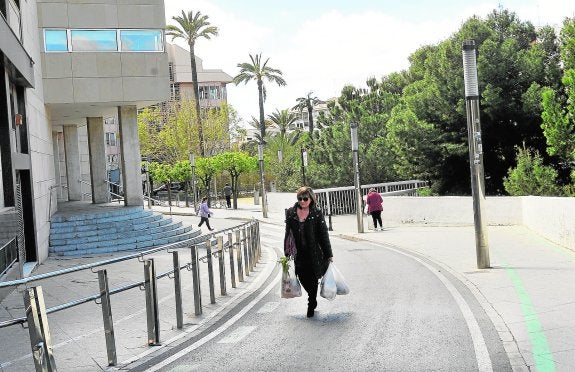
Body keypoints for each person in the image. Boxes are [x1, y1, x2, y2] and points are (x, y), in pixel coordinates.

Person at [284, 186, 333, 318]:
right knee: (302, 277)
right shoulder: (291, 213)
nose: (302, 201)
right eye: (300, 198)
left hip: (314, 253)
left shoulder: (316, 213)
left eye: (305, 198)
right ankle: (312, 296)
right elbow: (288, 234)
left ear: (311, 199)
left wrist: (329, 254)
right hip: (299, 253)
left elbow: (324, 235)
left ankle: (311, 302)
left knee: (313, 278)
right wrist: (286, 253)